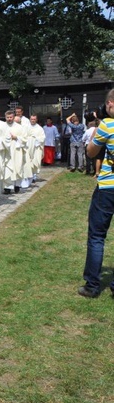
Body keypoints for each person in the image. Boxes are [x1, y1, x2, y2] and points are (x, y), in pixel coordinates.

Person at [79, 89, 114, 298]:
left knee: (97, 236)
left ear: (110, 103)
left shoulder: (107, 125)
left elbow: (91, 152)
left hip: (108, 187)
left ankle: (92, 286)